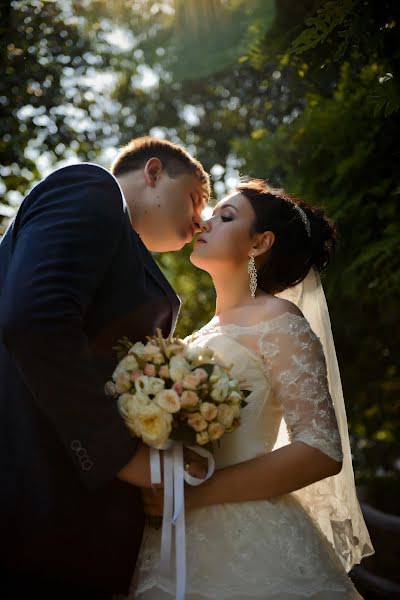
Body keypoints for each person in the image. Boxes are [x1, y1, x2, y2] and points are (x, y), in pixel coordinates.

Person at [134, 180, 374, 599]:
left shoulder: (279, 320)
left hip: (248, 538)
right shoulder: (195, 336)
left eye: (226, 217)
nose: (206, 223)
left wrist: (199, 494)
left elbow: (321, 448)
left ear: (260, 242)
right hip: (171, 536)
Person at [0, 137, 210, 599]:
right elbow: (36, 319)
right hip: (35, 505)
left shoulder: (127, 257)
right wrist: (122, 458)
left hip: (76, 527)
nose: (200, 220)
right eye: (196, 197)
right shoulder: (91, 188)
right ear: (153, 172)